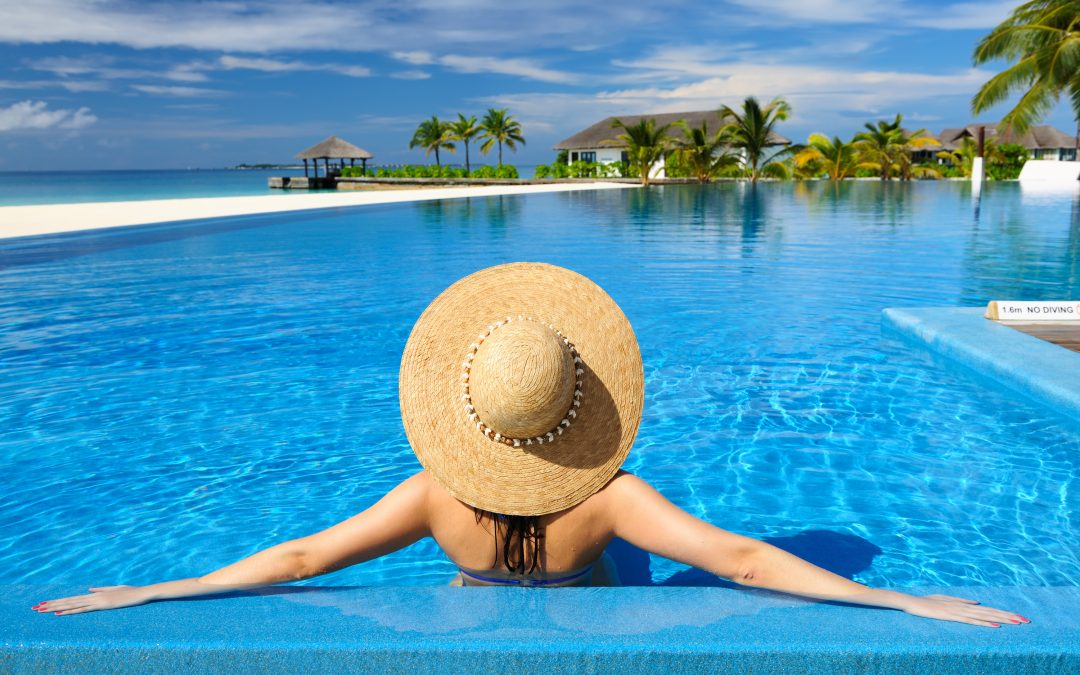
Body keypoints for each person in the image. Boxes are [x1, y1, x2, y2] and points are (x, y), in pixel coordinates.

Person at [33, 263, 1028, 628]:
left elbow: (300, 558)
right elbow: (743, 560)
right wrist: (903, 600)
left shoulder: (432, 497)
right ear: (576, 406)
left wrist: (156, 589)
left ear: (470, 414)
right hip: (586, 584)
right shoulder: (612, 499)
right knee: (635, 568)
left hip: (474, 588)